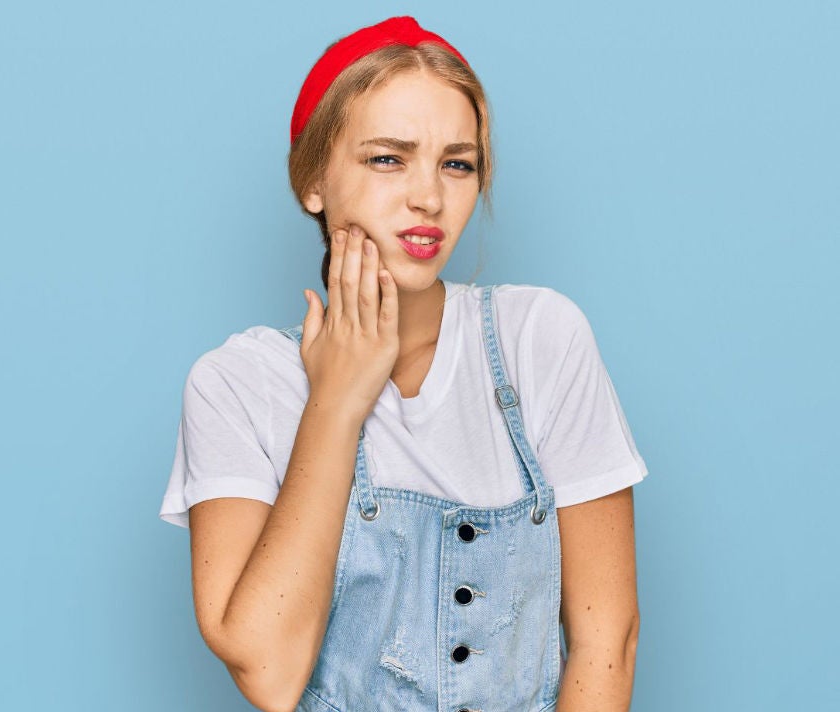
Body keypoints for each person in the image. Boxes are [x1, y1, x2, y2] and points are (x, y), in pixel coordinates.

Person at [159, 15, 649, 712]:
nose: (430, 197)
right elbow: (269, 673)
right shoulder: (236, 385)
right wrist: (335, 401)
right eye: (388, 158)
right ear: (313, 181)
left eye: (458, 164)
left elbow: (609, 643)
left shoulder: (540, 339)